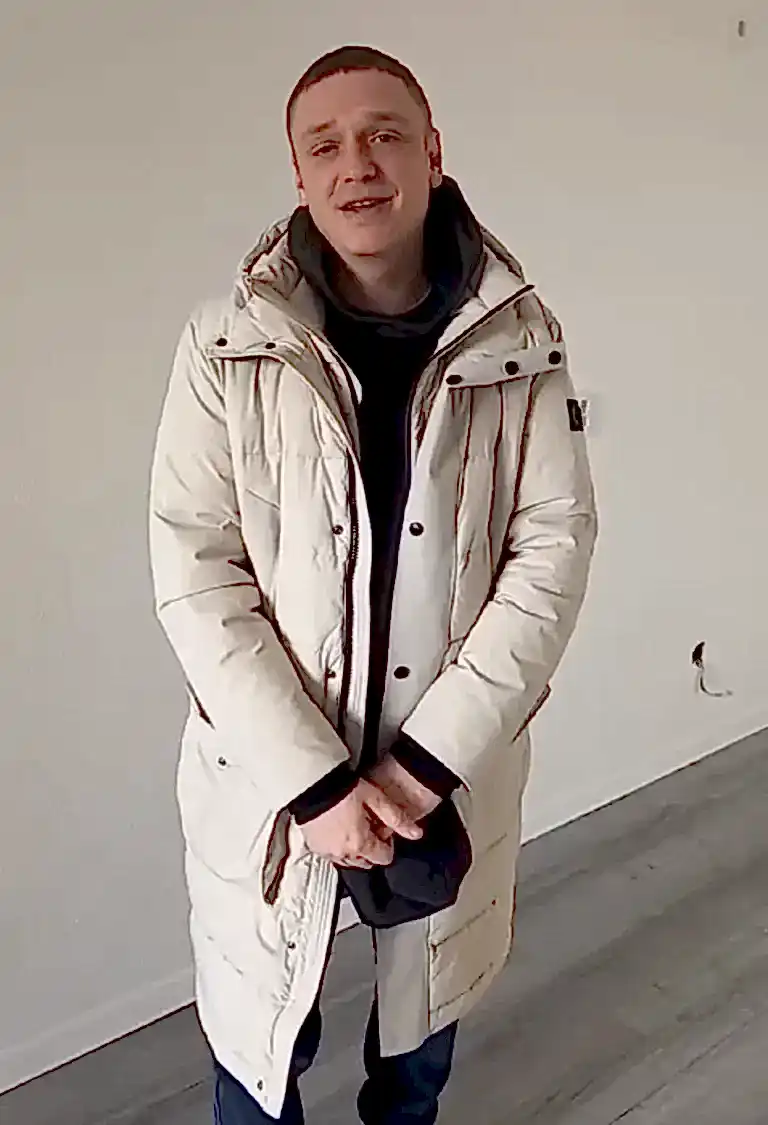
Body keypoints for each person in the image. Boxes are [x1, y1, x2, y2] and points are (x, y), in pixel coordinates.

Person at [149, 44, 597, 1125]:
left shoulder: (522, 341)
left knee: (418, 1040)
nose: (357, 163)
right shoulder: (223, 346)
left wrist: (423, 767)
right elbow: (197, 573)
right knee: (260, 1047)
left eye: (384, 134)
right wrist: (315, 787)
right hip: (272, 783)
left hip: (447, 772)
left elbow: (552, 550)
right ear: (299, 176)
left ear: (433, 155)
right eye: (326, 144)